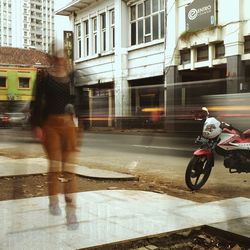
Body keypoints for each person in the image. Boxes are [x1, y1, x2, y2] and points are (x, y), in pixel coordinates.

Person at [30, 49, 79, 229]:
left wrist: (77, 119)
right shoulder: (43, 77)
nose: (60, 61)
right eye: (56, 58)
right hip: (49, 125)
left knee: (69, 169)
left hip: (68, 125)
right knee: (55, 167)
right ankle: (53, 201)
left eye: (62, 58)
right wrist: (36, 125)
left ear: (65, 59)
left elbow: (77, 100)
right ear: (51, 59)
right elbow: (35, 102)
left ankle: (71, 211)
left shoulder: (72, 77)